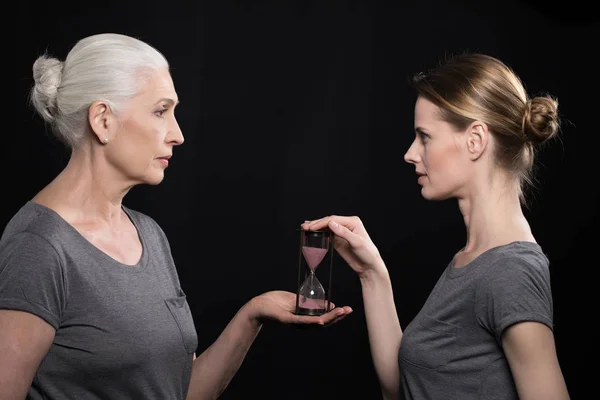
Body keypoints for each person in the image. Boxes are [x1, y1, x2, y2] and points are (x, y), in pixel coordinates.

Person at [0, 32, 352, 400]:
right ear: (103, 120)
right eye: (160, 111)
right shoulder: (37, 246)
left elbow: (178, 392)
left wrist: (253, 315)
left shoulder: (148, 234)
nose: (178, 134)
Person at [302, 53, 570, 399]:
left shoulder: (510, 271)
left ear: (475, 140)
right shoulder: (472, 259)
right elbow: (407, 388)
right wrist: (373, 274)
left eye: (424, 136)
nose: (410, 154)